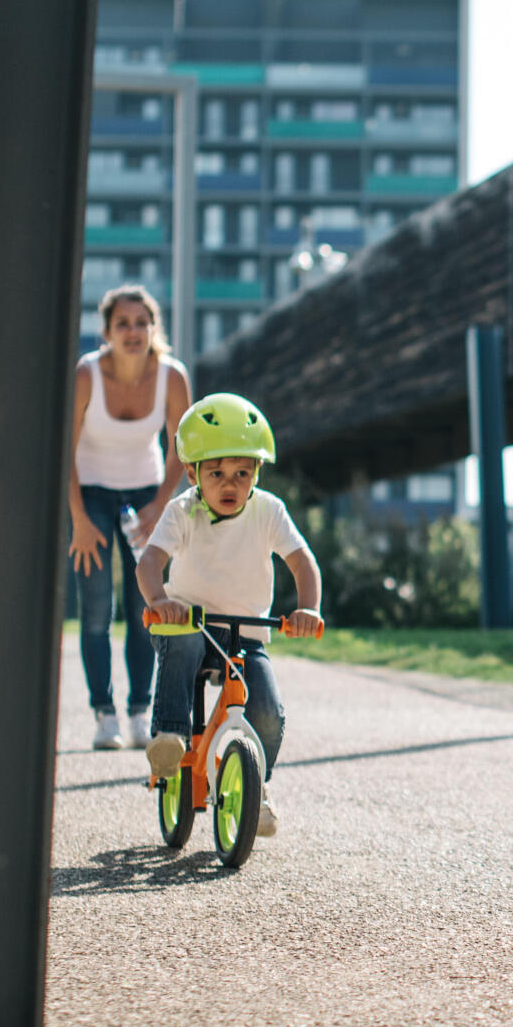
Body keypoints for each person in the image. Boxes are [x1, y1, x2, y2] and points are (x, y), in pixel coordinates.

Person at [135, 393, 322, 837]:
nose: (230, 484)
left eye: (242, 472)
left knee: (268, 713)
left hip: (247, 635)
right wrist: (160, 600)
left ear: (258, 472)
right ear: (192, 473)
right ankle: (170, 737)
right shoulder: (182, 511)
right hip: (188, 623)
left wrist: (308, 608)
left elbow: (302, 562)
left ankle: (259, 788)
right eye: (216, 473)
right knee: (184, 643)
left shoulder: (268, 510)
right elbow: (148, 563)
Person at [67, 285, 191, 749]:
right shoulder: (86, 375)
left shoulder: (171, 377)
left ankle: (141, 711)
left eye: (142, 322)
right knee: (96, 609)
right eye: (123, 324)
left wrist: (162, 502)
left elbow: (183, 445)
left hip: (146, 492)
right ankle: (104, 715)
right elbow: (65, 450)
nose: (133, 331)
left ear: (153, 328)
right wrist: (78, 517)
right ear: (107, 332)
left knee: (148, 603)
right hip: (92, 493)